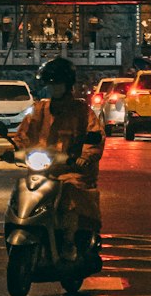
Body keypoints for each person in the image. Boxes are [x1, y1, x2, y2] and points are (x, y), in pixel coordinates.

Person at [7, 56, 104, 262]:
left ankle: (69, 243)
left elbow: (94, 137)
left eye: (56, 84)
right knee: (21, 191)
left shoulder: (82, 111)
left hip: (72, 172)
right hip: (41, 170)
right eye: (49, 84)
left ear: (67, 85)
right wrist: (15, 149)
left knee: (70, 195)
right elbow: (24, 134)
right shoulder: (39, 109)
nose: (52, 89)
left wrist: (84, 158)